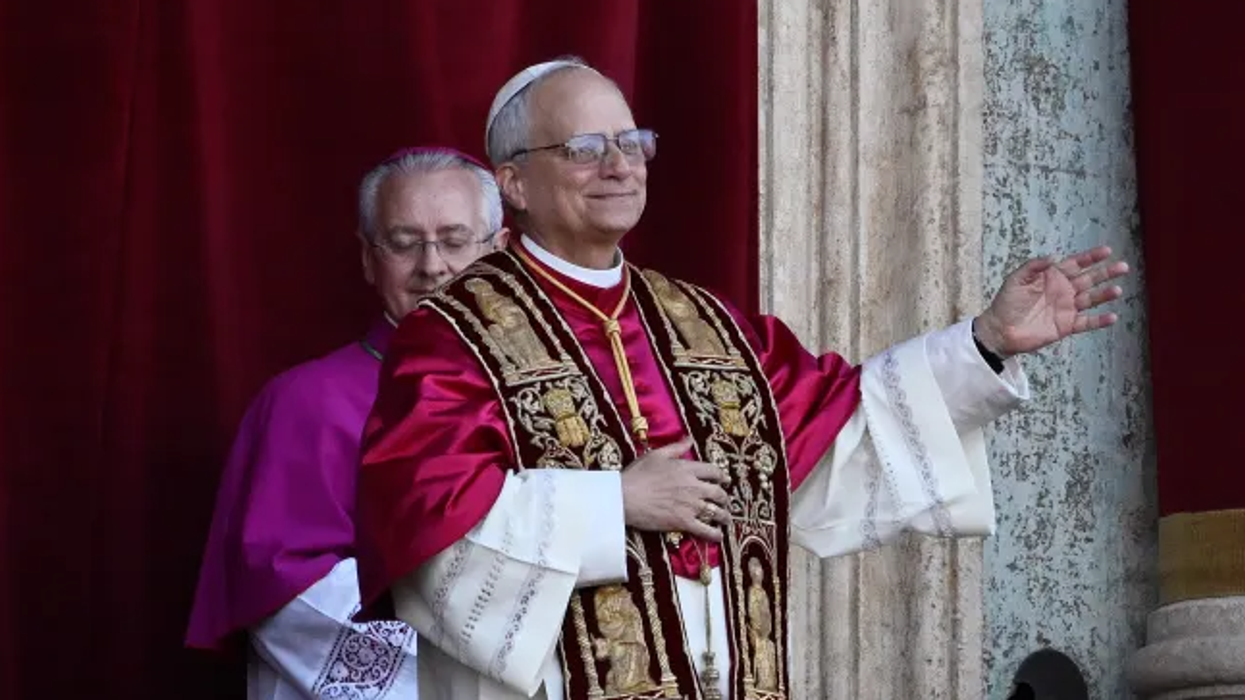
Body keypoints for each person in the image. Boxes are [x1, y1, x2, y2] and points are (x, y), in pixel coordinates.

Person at [352, 58, 1130, 700]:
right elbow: (428, 525)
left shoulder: (707, 325)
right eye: (585, 147)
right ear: (514, 183)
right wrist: (611, 502)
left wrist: (988, 341)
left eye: (632, 142)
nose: (619, 165)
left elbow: (842, 433)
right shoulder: (454, 335)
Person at [184, 146, 508, 699]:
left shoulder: (545, 391)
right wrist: (490, 666)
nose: (432, 266)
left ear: (499, 253)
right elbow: (290, 594)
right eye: (404, 244)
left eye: (455, 241)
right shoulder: (304, 403)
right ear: (367, 258)